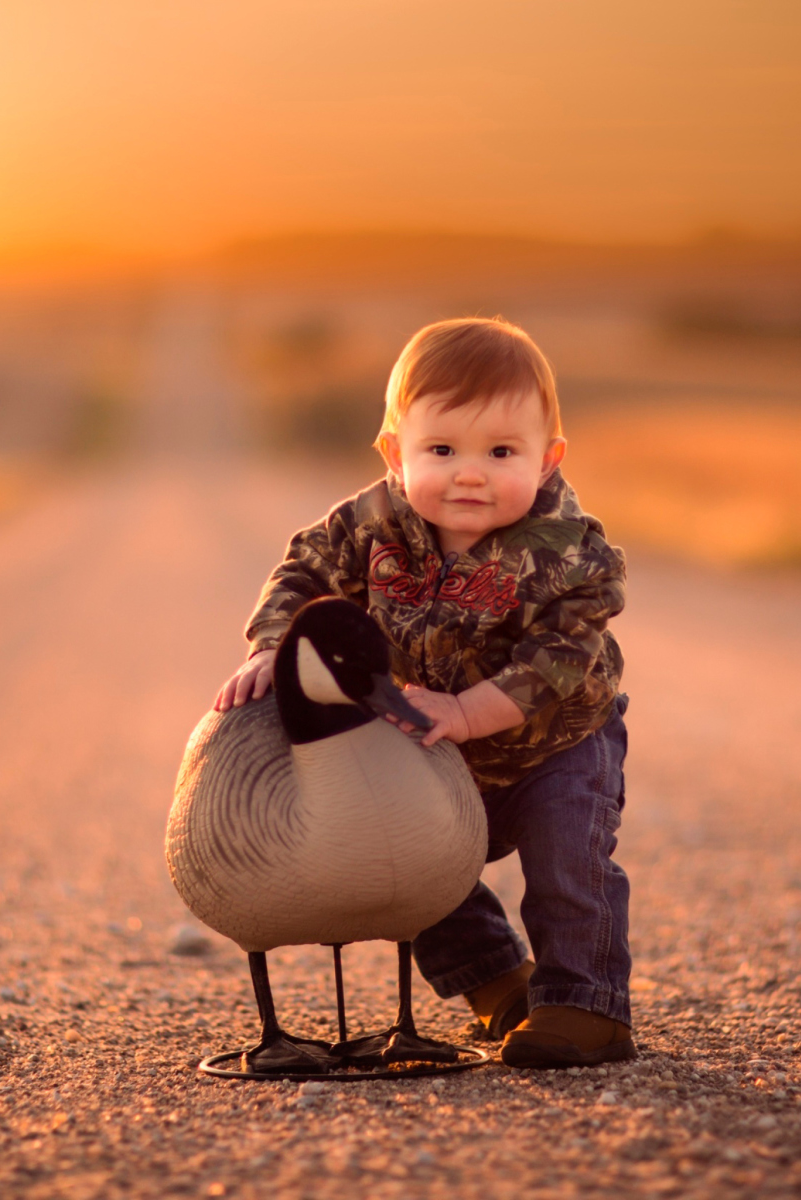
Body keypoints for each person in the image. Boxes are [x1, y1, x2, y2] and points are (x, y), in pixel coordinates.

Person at [213, 316, 633, 1069]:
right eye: (441, 450)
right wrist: (274, 644)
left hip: (555, 744)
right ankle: (498, 983)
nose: (469, 473)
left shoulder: (567, 548)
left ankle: (585, 1003)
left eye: (502, 452)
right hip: (433, 737)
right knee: (409, 863)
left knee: (567, 863)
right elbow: (302, 575)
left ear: (548, 460)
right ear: (395, 453)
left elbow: (564, 654)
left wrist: (472, 712)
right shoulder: (370, 524)